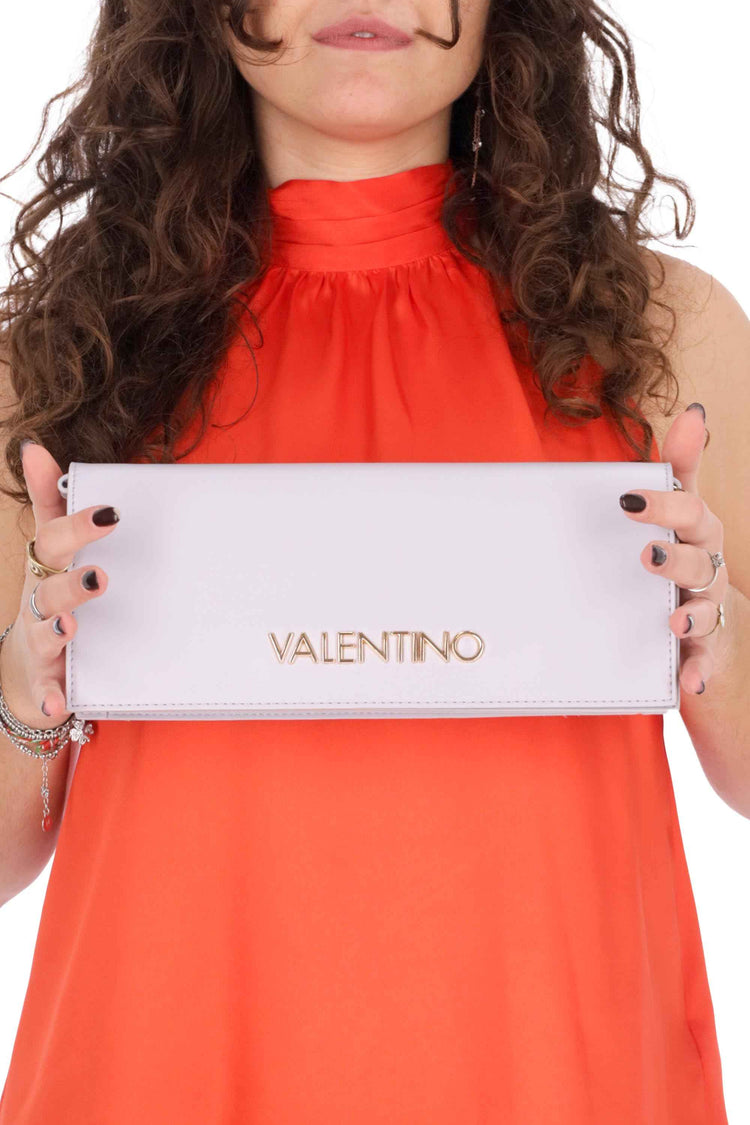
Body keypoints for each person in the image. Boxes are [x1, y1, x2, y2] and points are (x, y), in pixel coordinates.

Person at [0, 0, 746, 1120]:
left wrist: (713, 633)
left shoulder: (660, 329)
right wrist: (28, 687)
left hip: (553, 1065)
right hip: (161, 1063)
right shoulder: (66, 350)